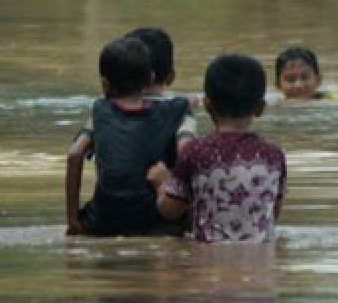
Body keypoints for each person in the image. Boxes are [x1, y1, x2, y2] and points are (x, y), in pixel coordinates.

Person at [148, 54, 287, 243]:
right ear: (260, 108)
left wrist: (161, 183)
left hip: (208, 262)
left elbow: (169, 211)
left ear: (207, 104)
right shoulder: (274, 155)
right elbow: (274, 213)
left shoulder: (194, 152)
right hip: (261, 261)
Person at [65, 36, 194, 237]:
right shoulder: (173, 110)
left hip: (102, 220)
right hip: (153, 220)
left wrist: (73, 221)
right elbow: (187, 149)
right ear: (151, 79)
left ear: (105, 85)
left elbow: (74, 153)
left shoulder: (100, 111)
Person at [274, 46, 338, 101]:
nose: (298, 85)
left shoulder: (332, 101)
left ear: (318, 80)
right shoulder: (272, 106)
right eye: (290, 79)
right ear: (278, 84)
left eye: (305, 77)